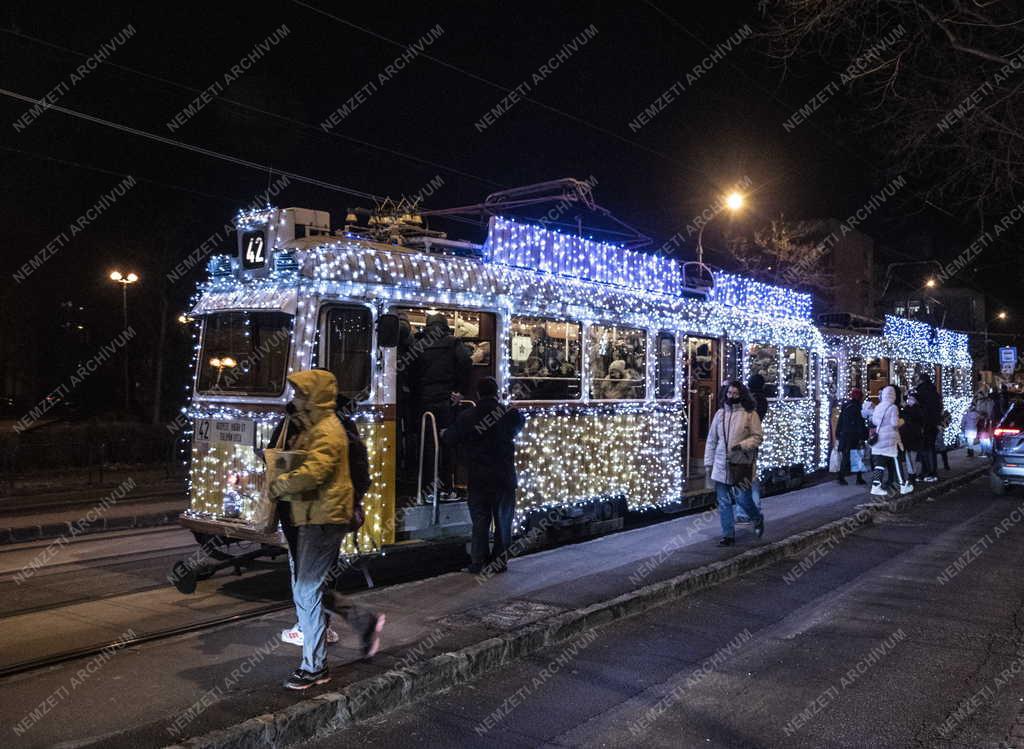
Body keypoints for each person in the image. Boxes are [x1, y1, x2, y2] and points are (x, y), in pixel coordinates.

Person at [268, 370, 385, 690]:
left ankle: (314, 667)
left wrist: (279, 486)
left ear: (315, 397)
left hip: (323, 519)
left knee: (306, 590)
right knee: (311, 590)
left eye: (301, 394)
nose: (295, 399)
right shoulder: (316, 426)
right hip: (313, 517)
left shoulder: (327, 430)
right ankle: (362, 622)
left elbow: (313, 473)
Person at [442, 377, 525, 574]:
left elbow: (451, 437)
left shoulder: (467, 416)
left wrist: (445, 430)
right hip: (504, 477)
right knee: (503, 521)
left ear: (478, 394)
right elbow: (518, 425)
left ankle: (477, 562)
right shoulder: (510, 415)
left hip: (479, 478)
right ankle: (499, 562)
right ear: (496, 392)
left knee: (480, 520)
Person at [410, 314, 472, 497]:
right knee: (447, 443)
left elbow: (410, 372)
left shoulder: (418, 344)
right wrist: (460, 391)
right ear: (445, 326)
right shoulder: (453, 343)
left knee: (427, 445)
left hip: (424, 401)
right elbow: (466, 363)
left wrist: (417, 393)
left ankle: (427, 487)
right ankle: (446, 486)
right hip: (446, 400)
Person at [704, 380, 764, 546]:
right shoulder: (720, 414)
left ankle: (757, 519)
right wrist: (708, 463)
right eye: (729, 393)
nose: (731, 396)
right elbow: (712, 440)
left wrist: (742, 446)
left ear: (742, 395)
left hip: (740, 464)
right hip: (721, 465)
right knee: (724, 502)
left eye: (735, 394)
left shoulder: (750, 414)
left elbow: (757, 437)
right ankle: (728, 535)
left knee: (743, 500)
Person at [736, 374, 769, 521]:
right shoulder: (763, 400)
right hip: (751, 443)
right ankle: (752, 507)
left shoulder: (750, 402)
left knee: (744, 477)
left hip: (745, 442)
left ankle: (745, 512)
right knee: (750, 476)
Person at [870, 385, 909, 497]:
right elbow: (894, 423)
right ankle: (903, 485)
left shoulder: (878, 406)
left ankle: (876, 486)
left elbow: (874, 420)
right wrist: (902, 421)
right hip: (890, 439)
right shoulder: (893, 407)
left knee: (880, 464)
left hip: (879, 439)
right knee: (897, 461)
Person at [836, 388, 869, 486]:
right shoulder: (858, 407)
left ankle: (841, 476)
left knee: (846, 457)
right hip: (854, 435)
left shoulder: (846, 406)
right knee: (857, 456)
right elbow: (860, 423)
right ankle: (858, 478)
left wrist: (838, 432)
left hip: (845, 435)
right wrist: (863, 436)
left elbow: (841, 420)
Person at [914, 373, 942, 482]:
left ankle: (928, 472)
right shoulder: (933, 391)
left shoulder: (920, 391)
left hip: (924, 424)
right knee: (929, 448)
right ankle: (929, 472)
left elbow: (920, 407)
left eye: (917, 378)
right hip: (932, 424)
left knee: (925, 449)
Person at [900, 392, 925, 484]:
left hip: (914, 436)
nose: (909, 401)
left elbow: (912, 418)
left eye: (912, 399)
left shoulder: (917, 410)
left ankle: (912, 474)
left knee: (912, 457)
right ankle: (912, 474)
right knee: (908, 457)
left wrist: (906, 407)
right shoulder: (908, 409)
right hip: (907, 436)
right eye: (909, 399)